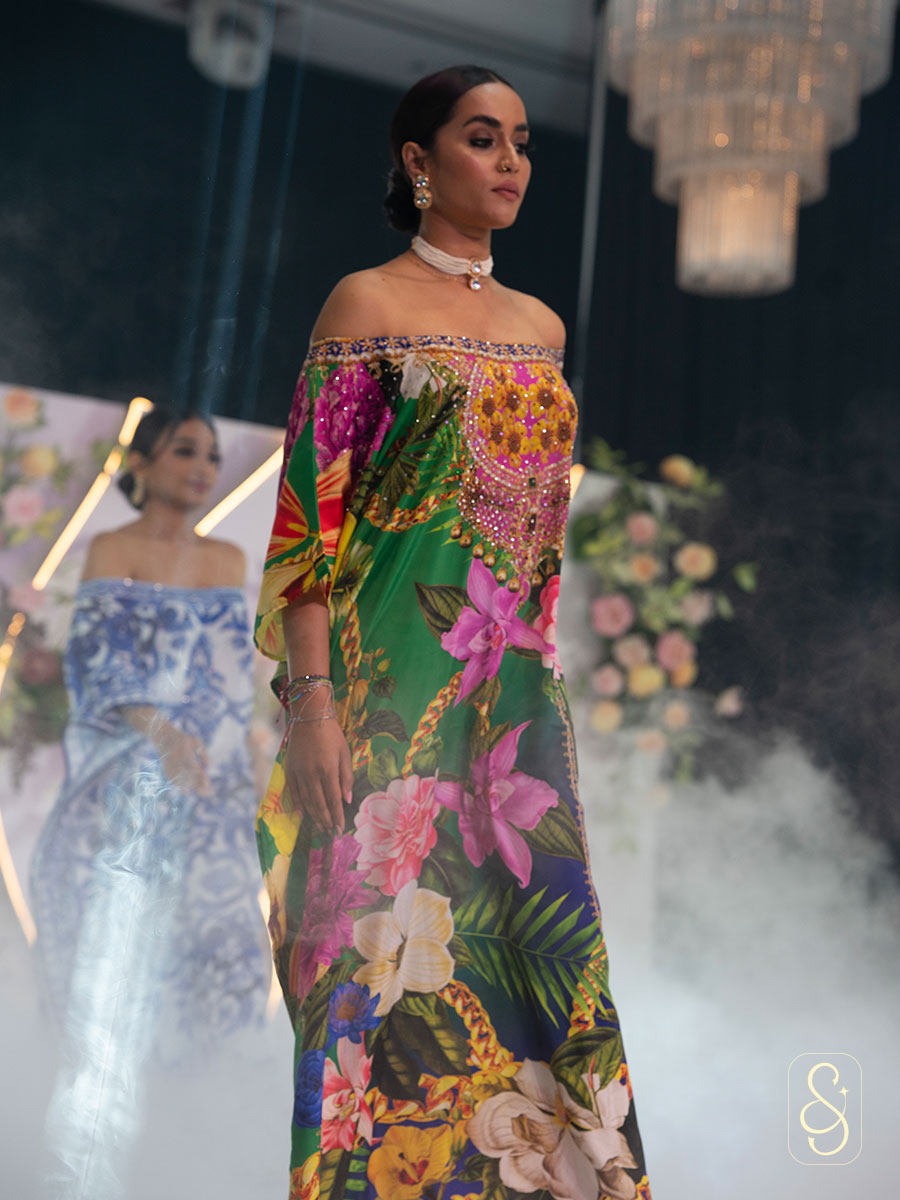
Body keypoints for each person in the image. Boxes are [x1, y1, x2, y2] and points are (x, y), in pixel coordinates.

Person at [255, 65, 652, 1200]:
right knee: (375, 969)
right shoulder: (364, 306)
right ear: (420, 162)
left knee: (535, 957)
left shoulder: (541, 327)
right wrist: (313, 710)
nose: (514, 161)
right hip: (384, 694)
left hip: (512, 701)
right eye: (484, 138)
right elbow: (309, 528)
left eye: (523, 140)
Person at [30, 405, 271, 1070]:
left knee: (219, 942)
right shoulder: (114, 548)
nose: (203, 468)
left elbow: (231, 681)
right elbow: (98, 660)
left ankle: (197, 1114)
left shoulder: (228, 560)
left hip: (212, 785)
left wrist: (249, 772)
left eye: (212, 456)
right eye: (185, 451)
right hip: (129, 775)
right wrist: (163, 737)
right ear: (140, 464)